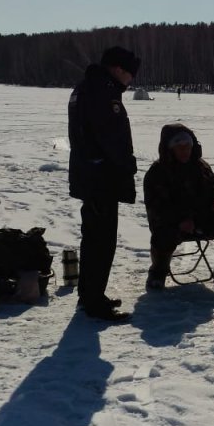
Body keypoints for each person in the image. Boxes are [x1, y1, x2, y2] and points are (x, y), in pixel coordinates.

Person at [68, 46, 141, 322]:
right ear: (118, 69)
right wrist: (127, 164)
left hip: (91, 175)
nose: (130, 80)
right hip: (100, 178)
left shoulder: (87, 87)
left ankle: (90, 295)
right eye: (129, 73)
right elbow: (110, 139)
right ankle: (93, 300)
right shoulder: (102, 91)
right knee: (101, 241)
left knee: (94, 238)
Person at [143, 124, 214, 290]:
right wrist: (180, 220)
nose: (185, 151)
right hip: (174, 224)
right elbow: (157, 208)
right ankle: (158, 272)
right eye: (180, 147)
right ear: (170, 149)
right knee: (162, 233)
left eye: (188, 146)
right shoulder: (158, 172)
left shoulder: (200, 166)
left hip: (204, 219)